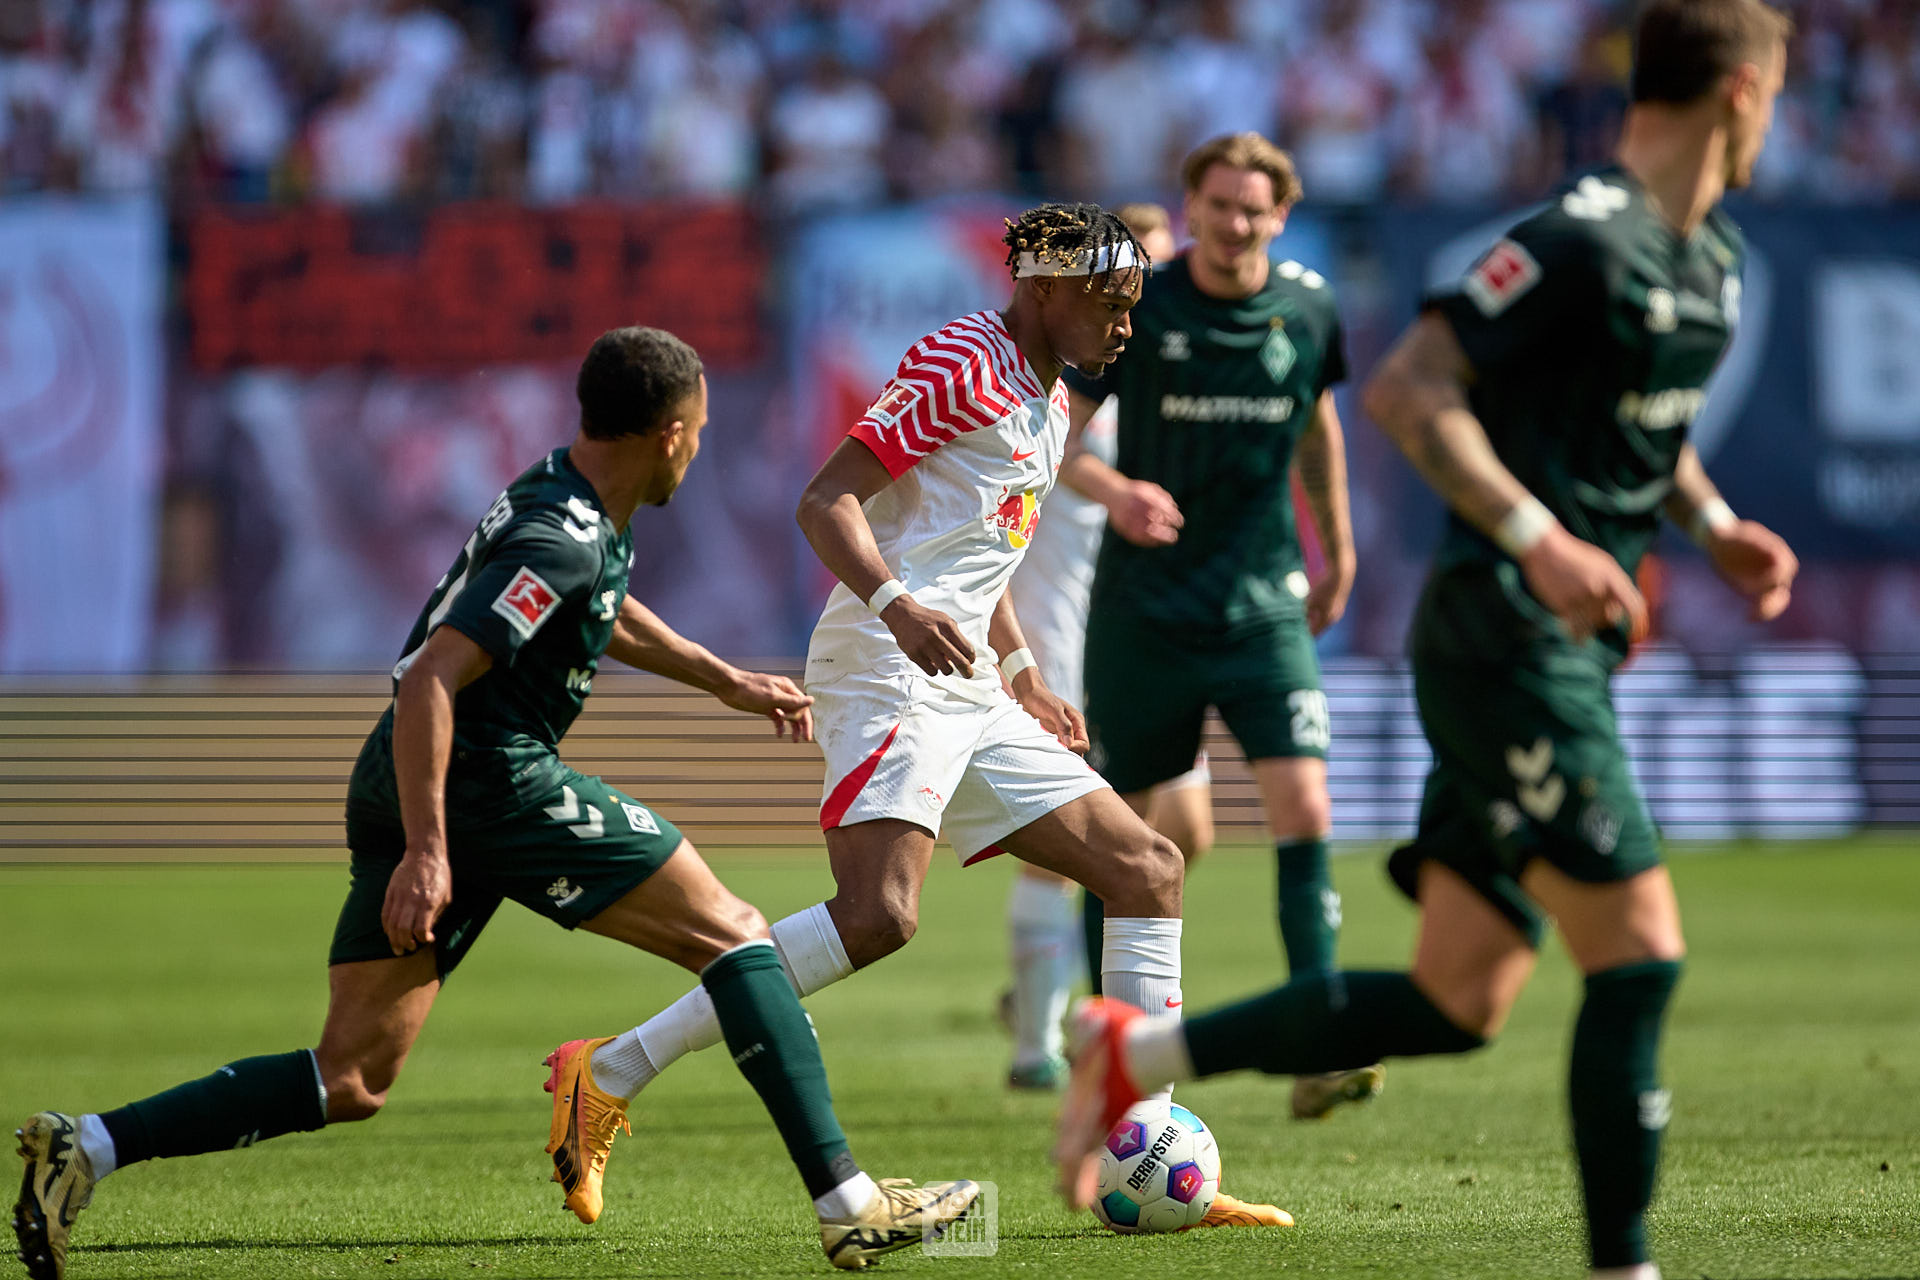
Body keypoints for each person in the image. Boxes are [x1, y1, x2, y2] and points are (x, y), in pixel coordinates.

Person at [1054, 5, 1800, 1279]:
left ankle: (1136, 1054)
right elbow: (1410, 390)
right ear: (1743, 93)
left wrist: (1716, 522)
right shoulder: (1580, 235)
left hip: (1483, 636)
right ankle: (1624, 1263)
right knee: (1640, 956)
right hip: (1502, 637)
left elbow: (1638, 424)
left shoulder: (1710, 262)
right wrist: (1535, 535)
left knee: (1461, 997)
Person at [13, 328, 978, 1280]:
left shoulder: (566, 494)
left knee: (350, 1077)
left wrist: (720, 677)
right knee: (736, 937)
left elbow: (599, 606)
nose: (699, 444)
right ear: (672, 433)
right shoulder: (561, 534)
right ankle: (850, 1207)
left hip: (411, 780)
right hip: (482, 779)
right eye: (701, 427)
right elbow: (433, 676)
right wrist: (430, 852)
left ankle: (85, 1147)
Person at [554, 203, 1287, 1230]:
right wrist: (899, 609)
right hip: (886, 664)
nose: (1128, 322)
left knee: (1148, 867)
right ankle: (610, 1069)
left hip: (968, 677)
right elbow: (826, 499)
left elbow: (983, 553)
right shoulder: (959, 361)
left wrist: (1023, 667)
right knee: (879, 916)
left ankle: (1144, 1144)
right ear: (1042, 291)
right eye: (1110, 301)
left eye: (1133, 302)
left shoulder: (1054, 394)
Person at [1060, 132, 1381, 1121]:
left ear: (1279, 216)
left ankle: (1319, 1037)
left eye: (1255, 208)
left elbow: (1318, 424)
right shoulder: (1138, 303)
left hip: (1262, 602)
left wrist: (1341, 544)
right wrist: (1117, 491)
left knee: (1306, 807)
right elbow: (1057, 438)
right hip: (1144, 611)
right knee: (1120, 831)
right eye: (1220, 204)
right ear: (1188, 206)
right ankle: (1111, 1040)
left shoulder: (1310, 306)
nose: (1236, 223)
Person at [997, 201, 1208, 1092]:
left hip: (1138, 627)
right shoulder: (1060, 383)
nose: (1135, 307)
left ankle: (1058, 997)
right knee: (1075, 836)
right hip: (1058, 621)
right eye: (1123, 287)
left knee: (1184, 832)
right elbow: (1046, 458)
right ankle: (1044, 1038)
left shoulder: (1148, 371)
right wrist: (1120, 489)